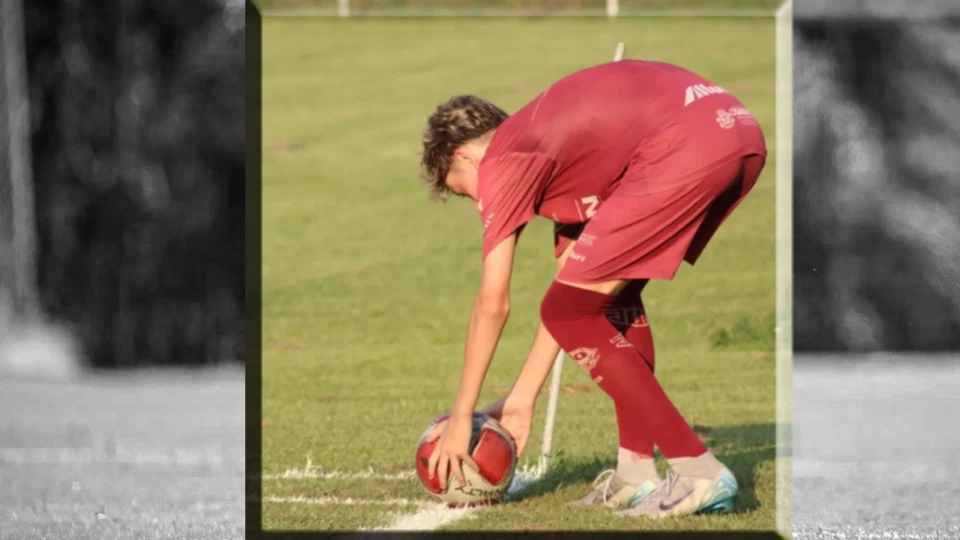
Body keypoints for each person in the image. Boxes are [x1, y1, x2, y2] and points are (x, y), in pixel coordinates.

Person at [419, 59, 766, 518]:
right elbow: (574, 298)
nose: (478, 204)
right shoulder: (556, 156)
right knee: (598, 303)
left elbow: (492, 304)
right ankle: (636, 473)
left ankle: (697, 469)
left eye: (463, 191)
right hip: (733, 129)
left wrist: (462, 415)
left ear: (464, 156)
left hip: (686, 141)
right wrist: (522, 400)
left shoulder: (505, 159)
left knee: (569, 310)